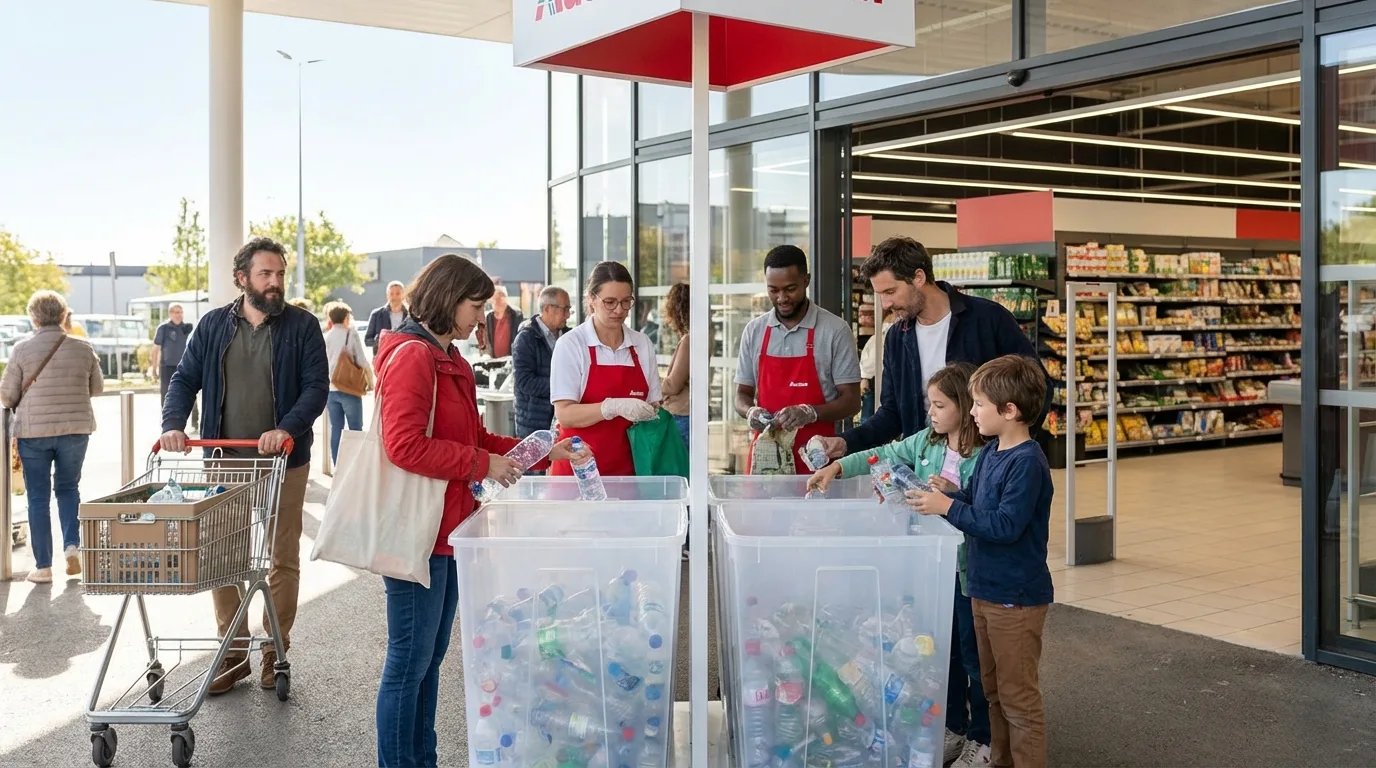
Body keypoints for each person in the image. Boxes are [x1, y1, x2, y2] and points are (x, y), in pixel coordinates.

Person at [815, 236, 1044, 763]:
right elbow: (894, 418)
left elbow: (1033, 385)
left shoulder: (987, 319)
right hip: (927, 494)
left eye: (891, 291)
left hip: (976, 490)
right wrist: (846, 444)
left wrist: (999, 452)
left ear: (920, 277)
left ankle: (989, 737)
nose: (886, 304)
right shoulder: (896, 338)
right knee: (937, 627)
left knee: (976, 635)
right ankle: (957, 726)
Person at [371, 254, 581, 767]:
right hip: (417, 532)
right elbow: (403, 445)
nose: (481, 318)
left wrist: (538, 450)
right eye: (475, 305)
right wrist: (481, 463)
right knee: (409, 663)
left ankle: (423, 759)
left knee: (429, 661)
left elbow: (475, 437)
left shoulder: (451, 360)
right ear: (446, 298)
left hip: (447, 529)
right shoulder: (416, 358)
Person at [159, 236, 329, 695]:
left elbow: (316, 388)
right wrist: (174, 423)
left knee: (281, 559)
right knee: (223, 559)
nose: (275, 283)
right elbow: (185, 378)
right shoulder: (214, 325)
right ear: (242, 279)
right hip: (224, 463)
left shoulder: (302, 326)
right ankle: (233, 653)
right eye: (265, 275)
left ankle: (275, 650)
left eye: (279, 275)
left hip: (284, 465)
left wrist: (288, 427)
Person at [806, 361, 992, 767]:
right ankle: (954, 727)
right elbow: (884, 453)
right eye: (930, 404)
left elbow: (987, 510)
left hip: (966, 571)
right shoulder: (926, 441)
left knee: (975, 655)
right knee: (943, 654)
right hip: (930, 567)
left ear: (963, 405)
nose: (932, 413)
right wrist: (837, 467)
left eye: (939, 405)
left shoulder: (985, 453)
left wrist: (952, 494)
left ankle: (984, 738)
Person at [910, 355, 1053, 768]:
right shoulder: (992, 452)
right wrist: (950, 495)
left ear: (1010, 411)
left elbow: (1005, 525)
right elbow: (976, 502)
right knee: (991, 690)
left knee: (1018, 698)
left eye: (978, 404)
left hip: (1016, 597)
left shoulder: (1027, 462)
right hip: (984, 590)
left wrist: (946, 508)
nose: (971, 412)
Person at [0, 291, 103, 583]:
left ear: (33, 319)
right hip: (76, 429)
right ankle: (72, 547)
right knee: (69, 489)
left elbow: (7, 396)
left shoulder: (21, 349)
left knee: (38, 497)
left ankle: (43, 566)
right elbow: (96, 389)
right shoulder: (84, 347)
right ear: (62, 316)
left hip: (34, 432)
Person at [734, 245, 861, 474]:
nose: (782, 298)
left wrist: (810, 412)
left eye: (790, 289)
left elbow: (852, 401)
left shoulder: (835, 331)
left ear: (806, 281)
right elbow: (741, 395)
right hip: (765, 462)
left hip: (816, 461)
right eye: (773, 290)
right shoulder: (754, 331)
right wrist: (750, 411)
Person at [549, 261, 661, 476]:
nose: (619, 310)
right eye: (610, 302)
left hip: (630, 471)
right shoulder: (572, 344)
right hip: (578, 471)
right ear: (592, 299)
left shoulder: (642, 343)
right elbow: (565, 414)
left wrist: (652, 411)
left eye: (626, 302)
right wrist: (612, 407)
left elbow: (653, 403)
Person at [512, 286, 571, 438]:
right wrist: (562, 387)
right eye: (564, 309)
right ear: (547, 308)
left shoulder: (570, 337)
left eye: (568, 309)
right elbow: (524, 382)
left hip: (563, 421)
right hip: (533, 425)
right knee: (537, 462)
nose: (568, 315)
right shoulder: (526, 338)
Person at [324, 301, 374, 463]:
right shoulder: (349, 334)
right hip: (349, 389)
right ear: (345, 317)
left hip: (331, 390)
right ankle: (355, 464)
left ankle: (337, 464)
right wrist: (370, 380)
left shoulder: (326, 336)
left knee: (336, 429)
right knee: (355, 429)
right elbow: (361, 360)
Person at [153, 304, 200, 433]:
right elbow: (156, 348)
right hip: (167, 366)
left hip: (185, 366)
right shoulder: (163, 328)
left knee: (191, 393)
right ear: (170, 313)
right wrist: (154, 367)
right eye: (175, 312)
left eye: (180, 312)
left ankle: (195, 422)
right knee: (167, 394)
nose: (178, 315)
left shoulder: (187, 328)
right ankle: (168, 423)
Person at [659, 283, 692, 448]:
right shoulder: (703, 336)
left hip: (682, 415)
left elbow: (673, 386)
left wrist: (649, 379)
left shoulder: (689, 341)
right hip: (688, 414)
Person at [480, 285, 523, 358]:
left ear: (506, 299)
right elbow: (484, 342)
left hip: (511, 360)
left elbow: (521, 339)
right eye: (495, 298)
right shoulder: (488, 318)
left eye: (502, 296)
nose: (498, 300)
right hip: (492, 362)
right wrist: (486, 356)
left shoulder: (516, 315)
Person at [365, 280, 409, 350]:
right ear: (387, 295)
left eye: (398, 294)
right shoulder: (376, 315)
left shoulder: (410, 316)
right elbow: (367, 340)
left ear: (403, 295)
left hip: (404, 356)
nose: (394, 297)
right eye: (391, 294)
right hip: (383, 357)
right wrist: (382, 342)